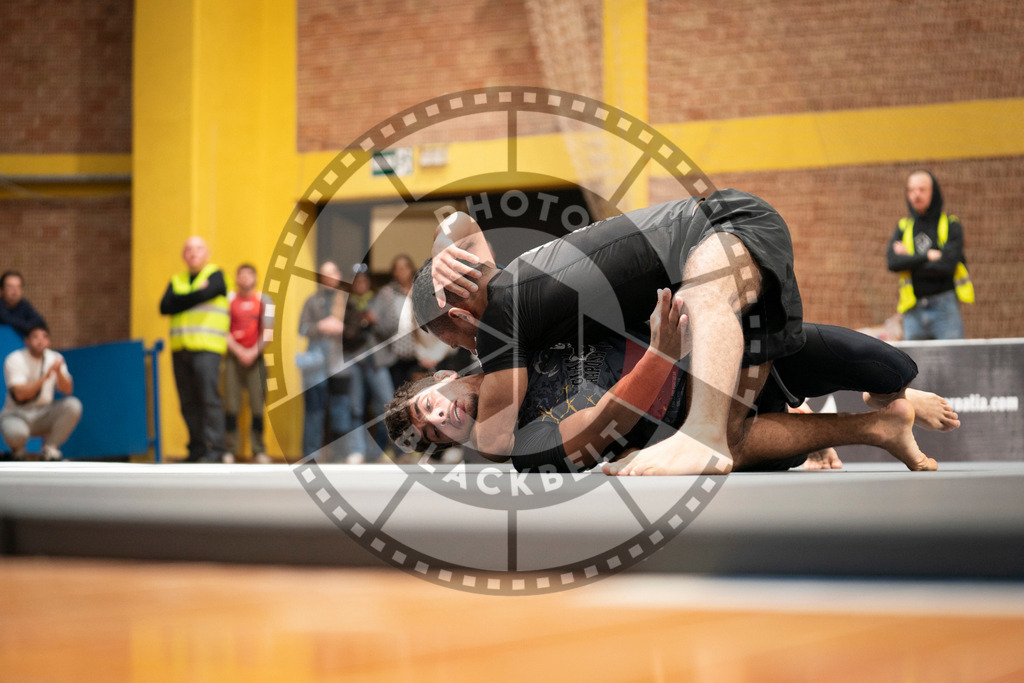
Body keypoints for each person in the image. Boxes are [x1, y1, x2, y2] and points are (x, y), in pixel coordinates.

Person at [413, 192, 808, 476]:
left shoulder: (500, 315)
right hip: (720, 253)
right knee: (739, 418)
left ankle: (702, 437)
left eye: (458, 342)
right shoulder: (516, 298)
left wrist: (442, 251)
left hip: (719, 228)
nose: (469, 350)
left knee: (697, 304)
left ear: (462, 316)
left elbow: (497, 442)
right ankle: (856, 418)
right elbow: (460, 224)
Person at [386, 297, 957, 473]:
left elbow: (496, 297)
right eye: (432, 429)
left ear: (444, 377)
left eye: (429, 406)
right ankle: (875, 425)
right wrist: (660, 353)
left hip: (719, 350)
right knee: (716, 447)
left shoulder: (510, 341)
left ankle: (871, 406)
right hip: (695, 414)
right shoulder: (516, 448)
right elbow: (609, 417)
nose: (438, 418)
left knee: (886, 365)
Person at [159, 236, 230, 464]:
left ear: (207, 253)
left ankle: (216, 449)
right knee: (187, 402)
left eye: (198, 248)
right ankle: (197, 449)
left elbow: (203, 295)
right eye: (188, 249)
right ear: (183, 255)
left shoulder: (216, 275)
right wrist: (193, 297)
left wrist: (181, 300)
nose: (193, 253)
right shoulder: (177, 279)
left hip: (207, 349)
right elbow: (164, 306)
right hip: (181, 349)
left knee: (209, 399)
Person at [887, 170, 974, 340]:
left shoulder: (951, 225)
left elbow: (947, 266)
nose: (916, 195)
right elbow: (892, 262)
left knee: (952, 363)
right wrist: (928, 256)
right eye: (911, 190)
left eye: (921, 189)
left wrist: (909, 259)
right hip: (913, 310)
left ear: (933, 192)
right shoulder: (904, 227)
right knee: (912, 365)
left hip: (945, 309)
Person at [297, 261, 363, 462]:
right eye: (324, 274)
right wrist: (321, 326)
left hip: (340, 365)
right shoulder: (311, 301)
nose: (328, 278)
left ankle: (339, 452)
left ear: (338, 275)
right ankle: (311, 454)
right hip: (316, 365)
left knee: (341, 409)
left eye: (332, 273)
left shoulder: (346, 301)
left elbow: (357, 331)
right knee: (314, 410)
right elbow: (302, 329)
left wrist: (341, 329)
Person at [1, 323, 82, 461]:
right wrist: (45, 377)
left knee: (73, 405)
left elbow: (68, 389)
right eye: (35, 337)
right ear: (26, 340)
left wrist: (58, 372)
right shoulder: (15, 359)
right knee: (17, 434)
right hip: (17, 414)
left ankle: (50, 450)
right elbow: (20, 395)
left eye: (44, 337)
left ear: (49, 341)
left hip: (43, 413)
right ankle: (17, 452)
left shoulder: (55, 358)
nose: (40, 340)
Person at [224, 264, 274, 464]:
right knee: (231, 406)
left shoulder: (265, 300)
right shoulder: (227, 300)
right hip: (232, 359)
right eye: (241, 275)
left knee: (257, 407)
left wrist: (253, 352)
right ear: (236, 278)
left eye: (248, 274)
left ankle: (259, 449)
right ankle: (229, 449)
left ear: (255, 277)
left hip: (257, 359)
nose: (244, 278)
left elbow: (268, 331)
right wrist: (238, 351)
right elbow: (222, 329)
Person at [345, 268, 394, 459]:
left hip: (377, 360)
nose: (360, 284)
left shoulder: (381, 300)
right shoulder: (347, 303)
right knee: (355, 407)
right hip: (354, 359)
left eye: (363, 280)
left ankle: (384, 449)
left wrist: (375, 321)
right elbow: (343, 332)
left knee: (387, 405)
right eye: (357, 281)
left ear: (368, 282)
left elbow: (390, 327)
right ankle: (357, 449)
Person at [371, 254, 423, 392]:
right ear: (393, 272)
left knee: (417, 395)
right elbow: (376, 321)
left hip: (418, 353)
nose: (402, 271)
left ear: (411, 269)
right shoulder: (387, 293)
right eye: (398, 268)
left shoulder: (420, 290)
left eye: (405, 267)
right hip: (393, 355)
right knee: (397, 394)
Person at [0, 271, 47, 337]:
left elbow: (40, 322)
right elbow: (6, 319)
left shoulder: (24, 305)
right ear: (2, 290)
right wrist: (29, 327)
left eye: (18, 287)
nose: (14, 291)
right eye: (10, 287)